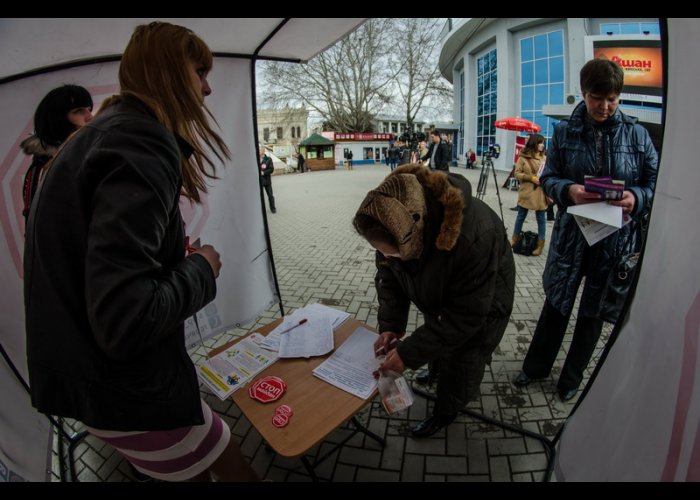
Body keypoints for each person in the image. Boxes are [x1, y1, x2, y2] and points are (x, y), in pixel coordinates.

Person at [23, 21, 260, 482]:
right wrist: (202, 268)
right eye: (199, 71)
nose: (208, 88)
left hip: (94, 379)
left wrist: (168, 258)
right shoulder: (140, 140)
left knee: (222, 454)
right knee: (228, 466)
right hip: (122, 385)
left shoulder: (109, 133)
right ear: (168, 72)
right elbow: (126, 319)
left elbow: (100, 263)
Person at [513, 58, 658, 402]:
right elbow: (548, 177)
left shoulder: (637, 135)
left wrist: (636, 197)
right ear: (584, 93)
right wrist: (568, 190)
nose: (605, 106)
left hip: (614, 240)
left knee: (592, 312)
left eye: (612, 98)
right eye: (597, 97)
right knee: (557, 304)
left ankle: (572, 378)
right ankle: (535, 367)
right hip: (573, 235)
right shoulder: (564, 132)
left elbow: (655, 181)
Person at [353, 164, 515, 437]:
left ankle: (447, 411)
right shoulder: (392, 221)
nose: (386, 258)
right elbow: (390, 277)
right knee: (435, 334)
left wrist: (407, 355)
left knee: (463, 358)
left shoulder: (474, 235)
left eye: (392, 254)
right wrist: (391, 324)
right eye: (381, 253)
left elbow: (465, 317)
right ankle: (435, 371)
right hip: (440, 297)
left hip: (484, 304)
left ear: (413, 235)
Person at [20, 84, 93, 226]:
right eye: (79, 111)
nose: (90, 116)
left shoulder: (87, 156)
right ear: (58, 119)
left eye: (89, 109)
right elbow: (41, 226)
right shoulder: (42, 170)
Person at [511, 133, 548, 256]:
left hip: (541, 193)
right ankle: (514, 239)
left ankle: (540, 245)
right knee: (520, 217)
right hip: (527, 192)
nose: (543, 145)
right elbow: (516, 173)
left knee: (541, 220)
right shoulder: (523, 157)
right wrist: (530, 178)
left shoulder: (545, 158)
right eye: (540, 142)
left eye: (543, 143)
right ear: (534, 143)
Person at [259, 144, 276, 213]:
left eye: (259, 149)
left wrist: (264, 172)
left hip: (267, 181)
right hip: (259, 181)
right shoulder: (255, 159)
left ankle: (273, 208)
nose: (258, 151)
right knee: (260, 197)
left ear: (263, 151)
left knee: (270, 195)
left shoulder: (268, 159)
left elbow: (271, 169)